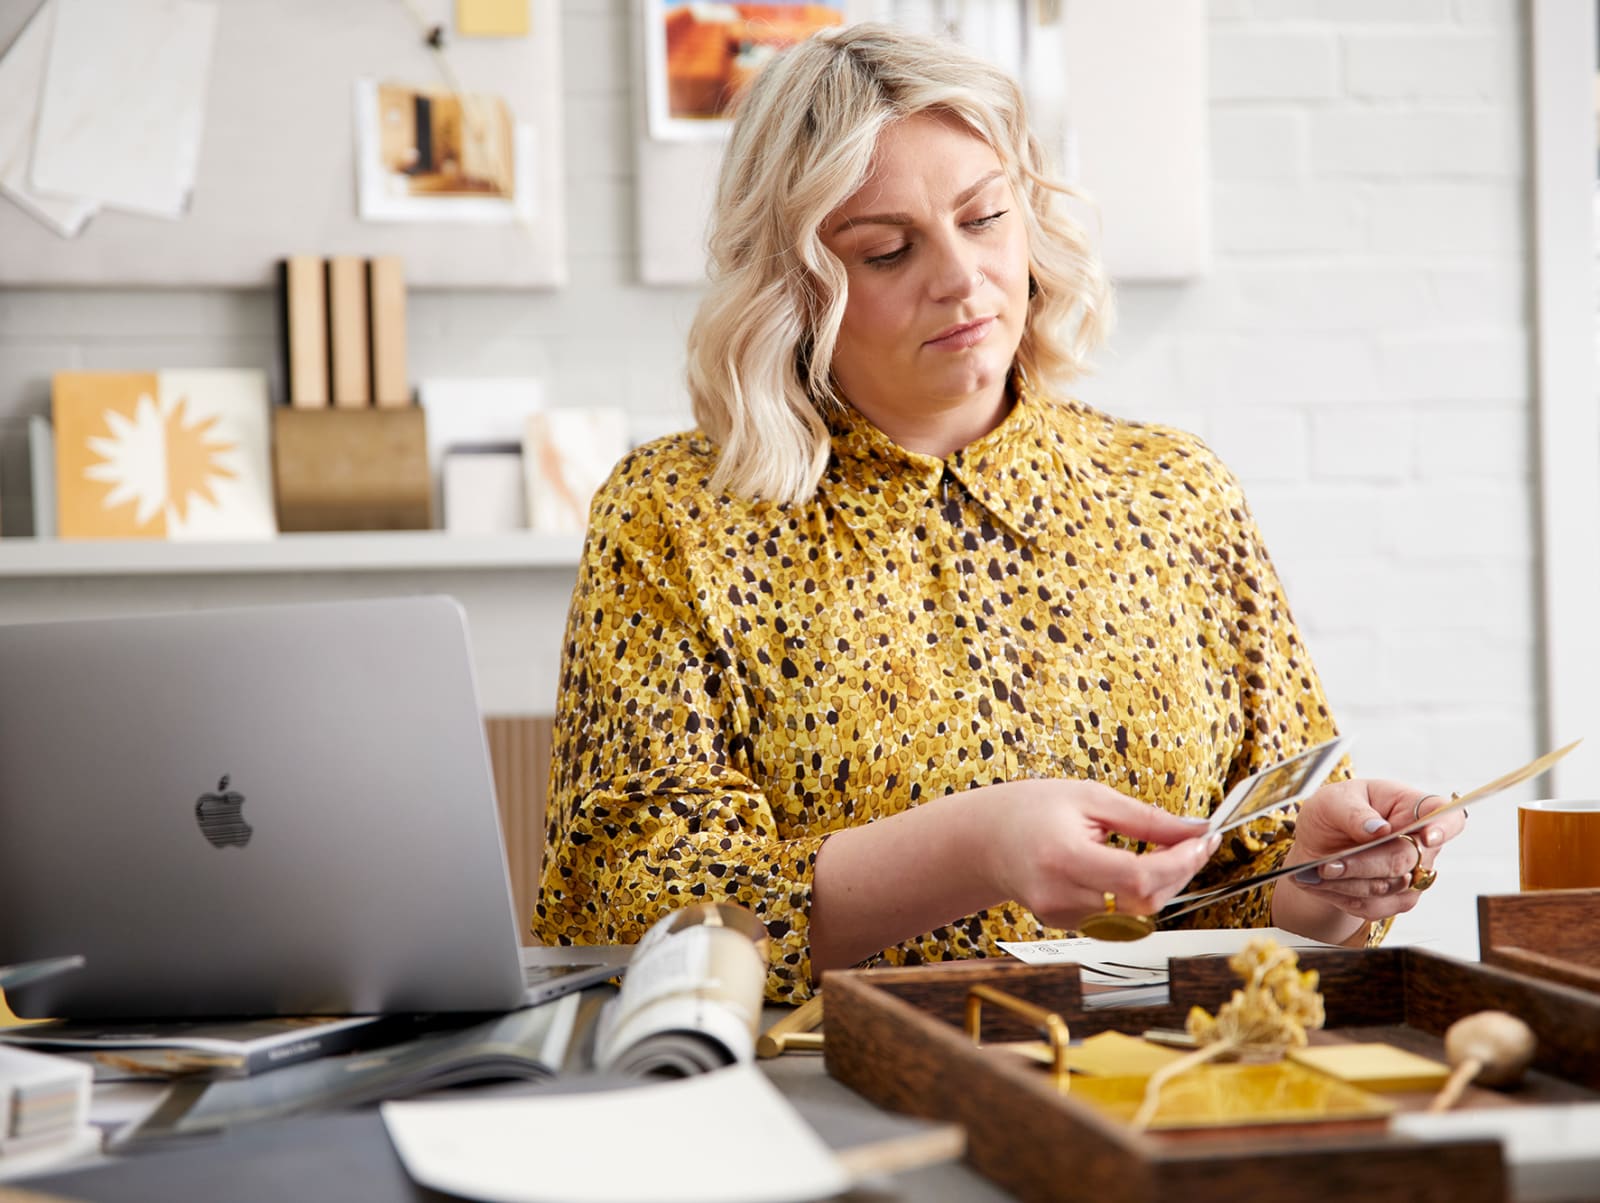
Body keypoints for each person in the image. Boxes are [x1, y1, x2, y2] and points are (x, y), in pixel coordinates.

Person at [532, 23, 1465, 1001]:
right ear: (795, 285)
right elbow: (632, 908)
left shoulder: (1177, 492)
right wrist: (973, 848)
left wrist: (1320, 879)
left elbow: (1243, 897)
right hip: (829, 1099)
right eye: (887, 251)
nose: (960, 277)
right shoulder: (675, 517)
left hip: (1157, 1086)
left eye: (983, 219)